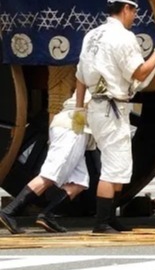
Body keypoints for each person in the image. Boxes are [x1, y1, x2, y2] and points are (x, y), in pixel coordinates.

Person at [76, 0, 155, 233]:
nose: (134, 16)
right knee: (112, 168)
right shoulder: (123, 37)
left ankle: (110, 217)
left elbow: (79, 76)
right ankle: (101, 221)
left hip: (98, 106)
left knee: (120, 165)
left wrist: (79, 112)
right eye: (133, 11)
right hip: (111, 108)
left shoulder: (91, 35)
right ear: (126, 9)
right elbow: (139, 73)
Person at [0, 92, 90, 234]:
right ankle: (9, 211)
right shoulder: (105, 81)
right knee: (49, 175)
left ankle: (47, 214)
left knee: (79, 182)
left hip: (77, 127)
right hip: (72, 127)